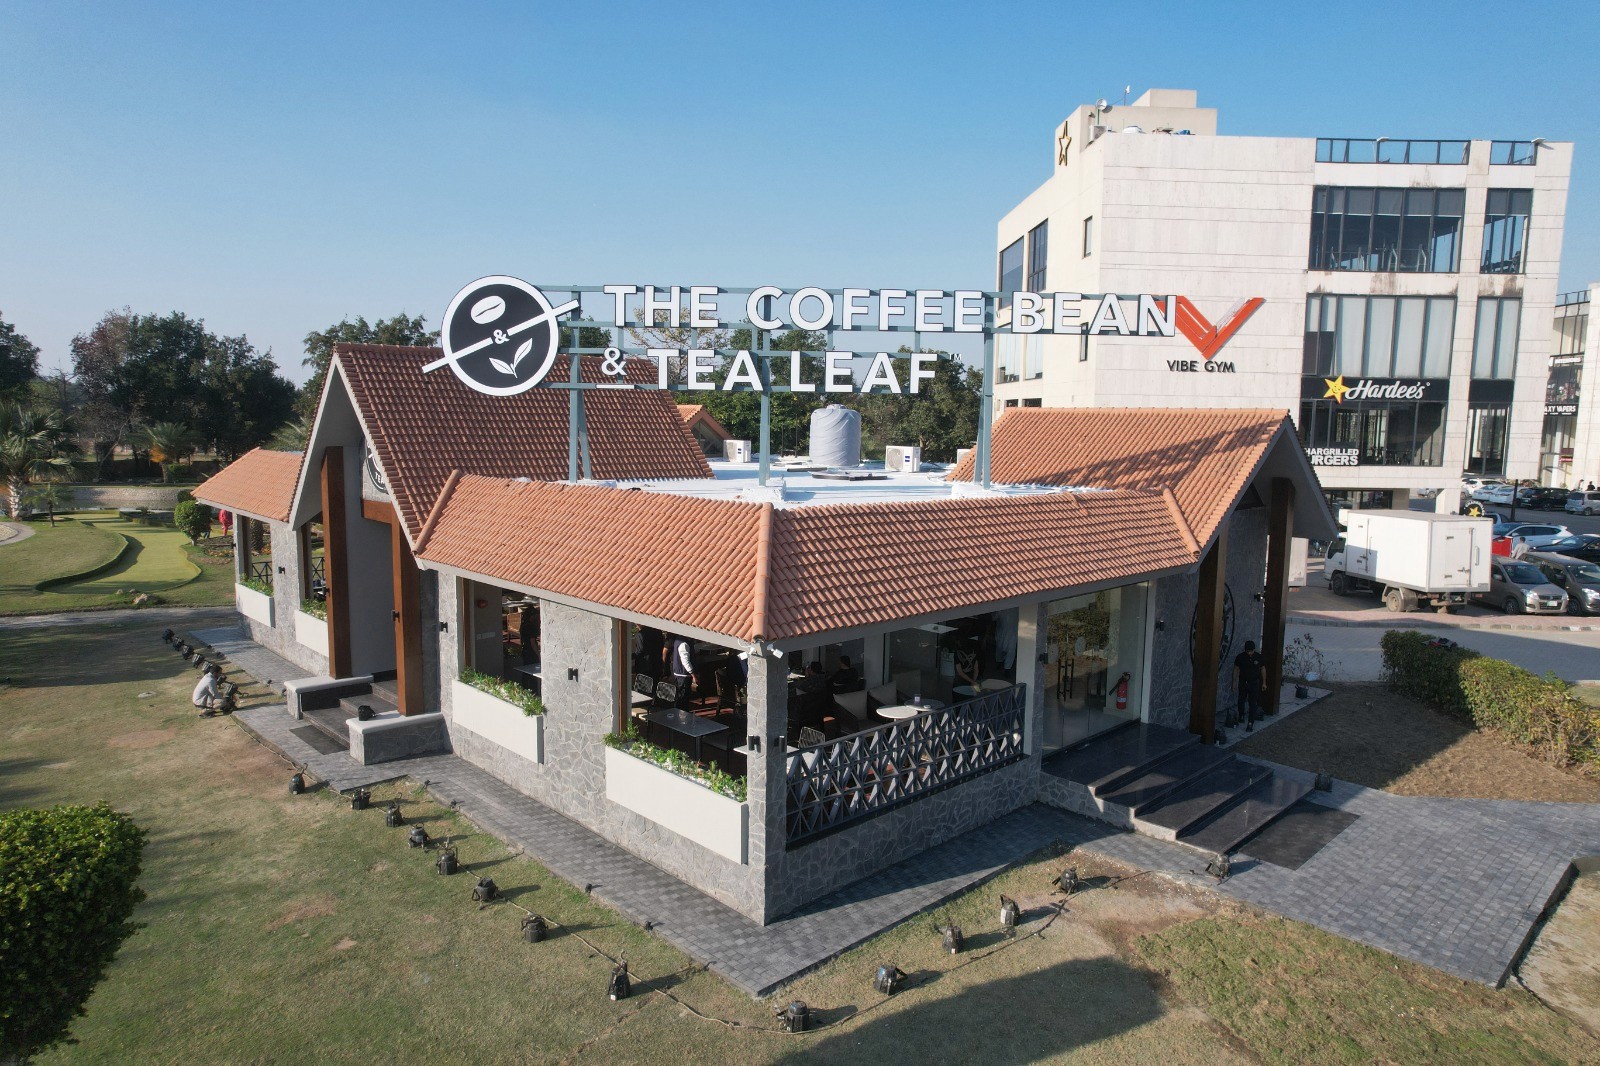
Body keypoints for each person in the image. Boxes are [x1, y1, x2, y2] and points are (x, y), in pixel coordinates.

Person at [1231, 640, 1265, 731]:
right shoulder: (1240, 657)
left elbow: (1263, 669)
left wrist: (1264, 682)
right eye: (1247, 651)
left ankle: (1250, 722)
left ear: (1254, 650)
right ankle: (1241, 715)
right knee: (1241, 699)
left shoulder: (1258, 657)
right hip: (1243, 682)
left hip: (1254, 683)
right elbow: (1236, 669)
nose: (1249, 653)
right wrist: (1233, 682)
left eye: (1251, 651)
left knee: (1253, 703)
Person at [670, 636, 696, 708]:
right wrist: (693, 675)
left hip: (678, 674)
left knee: (680, 697)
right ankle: (683, 716)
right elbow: (685, 661)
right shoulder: (684, 644)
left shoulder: (678, 640)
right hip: (683, 676)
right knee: (683, 699)